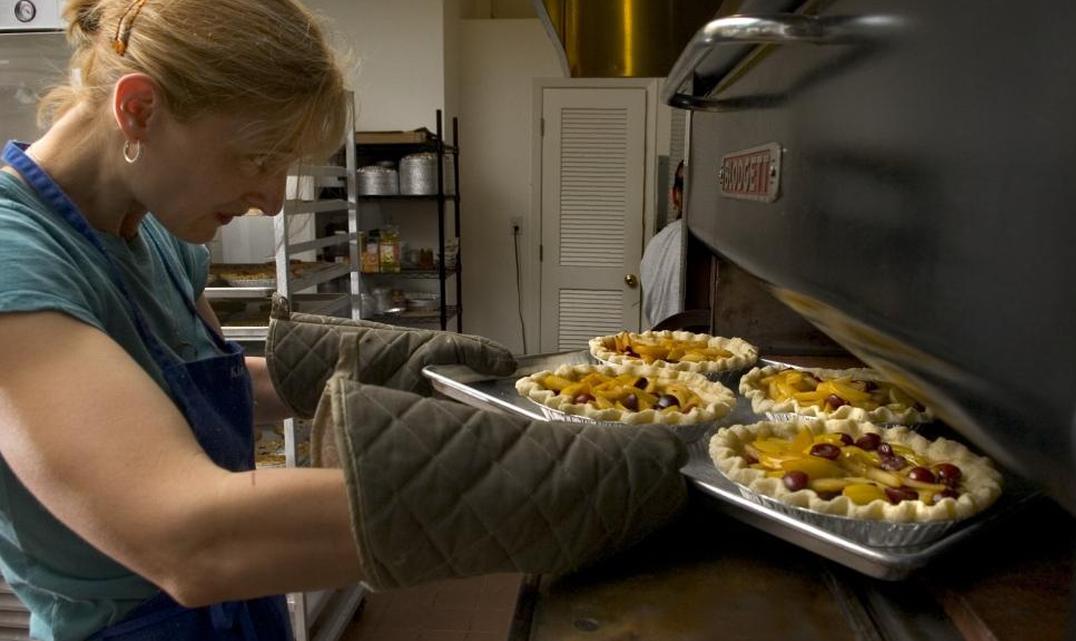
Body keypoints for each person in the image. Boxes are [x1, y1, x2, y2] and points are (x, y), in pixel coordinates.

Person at [0, 1, 688, 640]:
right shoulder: (14, 255)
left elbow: (202, 381)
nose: (271, 202)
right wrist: (550, 491)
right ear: (141, 109)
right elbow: (189, 536)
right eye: (257, 159)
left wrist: (420, 375)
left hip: (248, 609)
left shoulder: (151, 233)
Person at [640, 161, 687, 328]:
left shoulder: (656, 242)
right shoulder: (713, 247)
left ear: (674, 195)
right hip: (691, 350)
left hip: (657, 344)